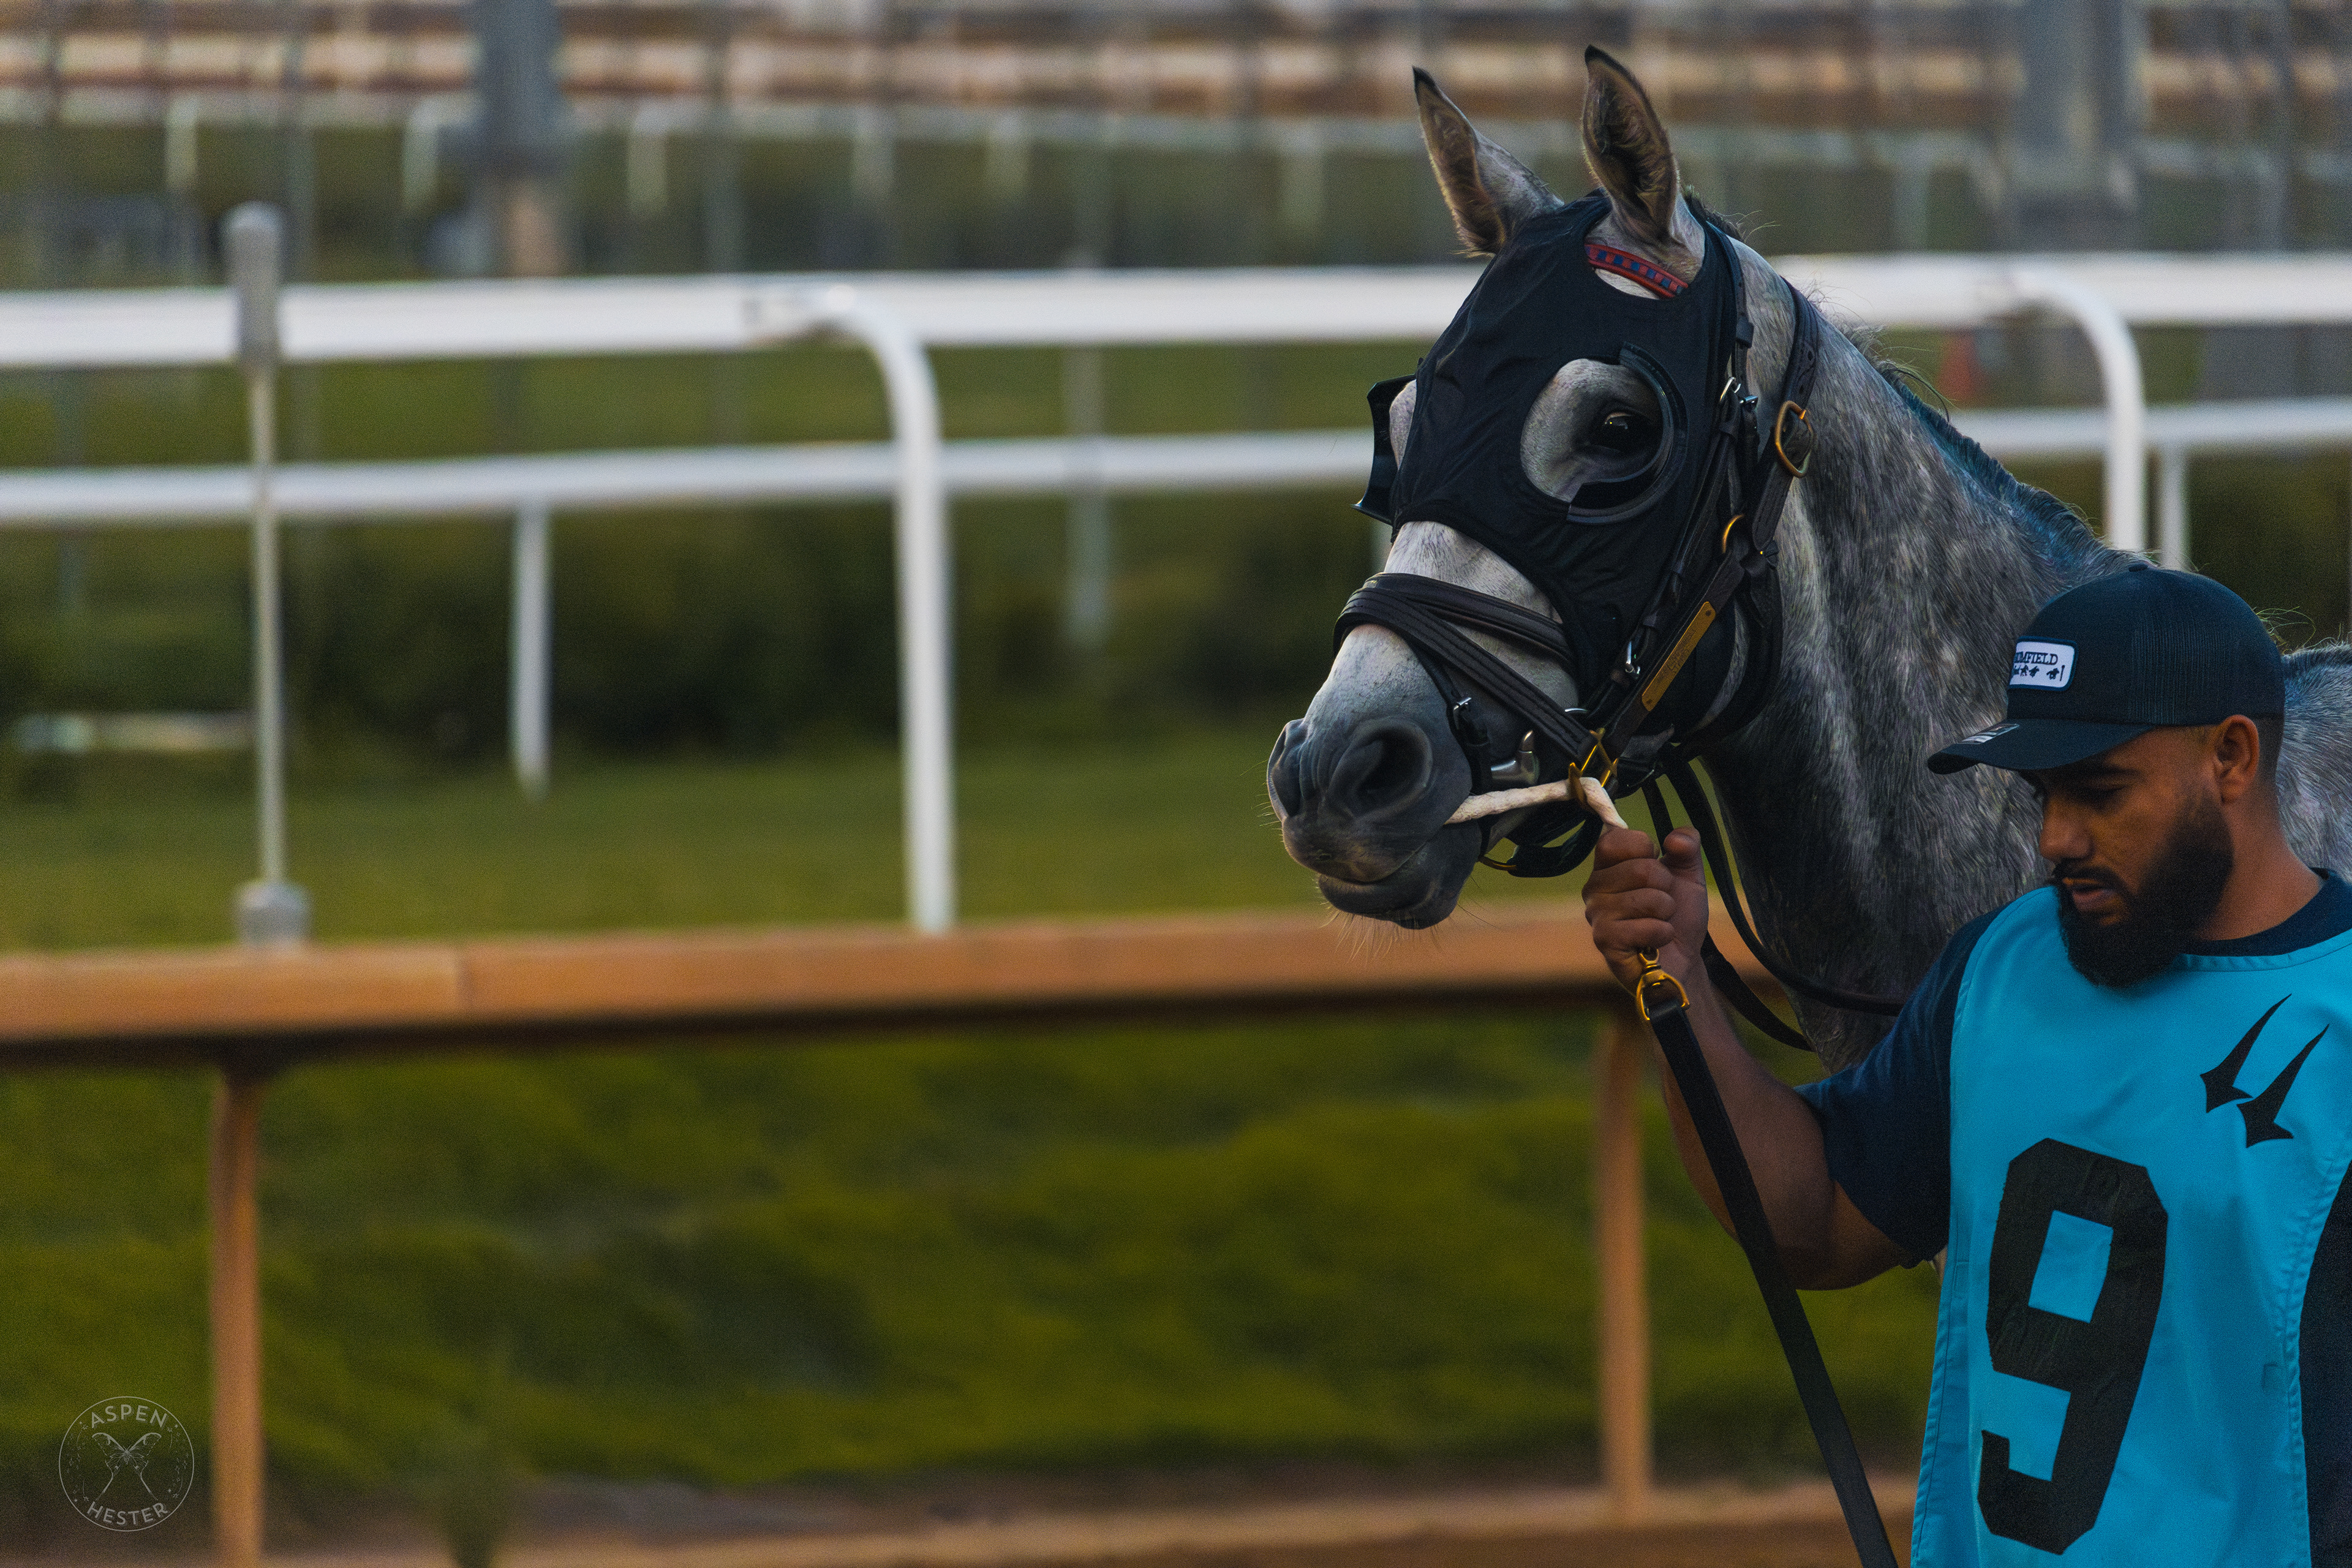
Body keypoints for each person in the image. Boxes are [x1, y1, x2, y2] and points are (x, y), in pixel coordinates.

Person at [1583, 564, 2351, 1567]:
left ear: (2233, 758)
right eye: (2041, 793)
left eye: (2099, 790)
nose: (2054, 837)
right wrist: (1678, 985)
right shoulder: (2003, 965)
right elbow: (1812, 1224)